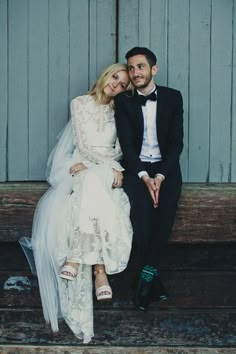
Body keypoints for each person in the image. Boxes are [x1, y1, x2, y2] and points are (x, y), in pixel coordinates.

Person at [19, 63, 133, 343]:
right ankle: (99, 270)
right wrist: (106, 163)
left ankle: (76, 258)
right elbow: (83, 144)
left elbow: (121, 147)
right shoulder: (80, 103)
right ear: (107, 74)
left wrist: (114, 166)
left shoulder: (120, 111)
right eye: (115, 77)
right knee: (88, 181)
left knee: (93, 180)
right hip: (84, 163)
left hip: (106, 168)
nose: (116, 85)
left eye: (122, 85)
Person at [114, 47, 183, 312]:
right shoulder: (124, 101)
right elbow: (127, 146)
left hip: (167, 168)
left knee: (165, 215)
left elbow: (177, 142)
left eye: (140, 67)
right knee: (141, 216)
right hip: (136, 168)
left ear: (153, 69)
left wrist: (161, 176)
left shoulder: (173, 97)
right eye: (131, 68)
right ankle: (152, 282)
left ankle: (144, 279)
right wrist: (144, 176)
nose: (134, 73)